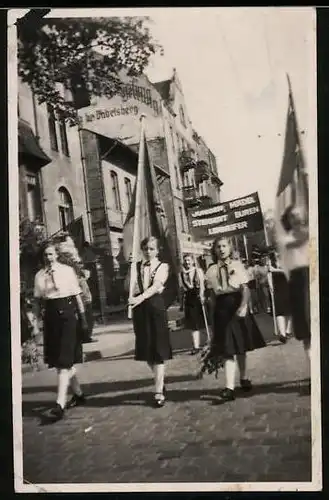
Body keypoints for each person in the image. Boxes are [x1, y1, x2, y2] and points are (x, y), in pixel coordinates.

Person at [201, 236, 266, 402]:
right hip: (222, 310)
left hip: (237, 306)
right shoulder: (211, 271)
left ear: (229, 249)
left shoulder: (238, 266)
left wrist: (243, 306)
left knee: (241, 347)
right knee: (227, 349)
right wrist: (211, 315)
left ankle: (244, 378)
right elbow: (212, 296)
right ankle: (229, 388)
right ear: (214, 250)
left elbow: (245, 289)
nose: (221, 249)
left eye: (224, 246)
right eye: (218, 247)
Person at [33, 242, 89, 422]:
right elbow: (37, 301)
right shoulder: (40, 275)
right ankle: (78, 394)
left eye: (50, 254)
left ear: (56, 255)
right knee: (61, 362)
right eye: (45, 255)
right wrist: (35, 324)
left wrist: (84, 319)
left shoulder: (67, 271)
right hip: (51, 316)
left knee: (64, 361)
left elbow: (77, 296)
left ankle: (60, 404)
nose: (48, 258)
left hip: (67, 316)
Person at [128, 237, 172, 408]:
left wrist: (140, 298)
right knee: (146, 350)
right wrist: (129, 269)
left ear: (157, 250)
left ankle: (159, 391)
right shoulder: (137, 266)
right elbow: (129, 287)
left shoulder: (163, 267)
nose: (148, 252)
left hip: (155, 309)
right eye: (145, 248)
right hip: (141, 311)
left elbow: (156, 286)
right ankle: (159, 380)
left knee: (158, 350)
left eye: (152, 249)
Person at [280, 205, 310, 361]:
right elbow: (297, 243)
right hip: (299, 280)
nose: (297, 218)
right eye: (293, 216)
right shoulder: (286, 239)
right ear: (288, 219)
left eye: (299, 214)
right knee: (307, 329)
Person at [180, 254, 206, 355]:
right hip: (189, 299)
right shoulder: (182, 273)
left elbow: (202, 285)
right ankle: (196, 346)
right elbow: (182, 289)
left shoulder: (198, 271)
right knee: (193, 324)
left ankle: (211, 341)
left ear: (192, 261)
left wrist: (202, 295)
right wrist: (182, 304)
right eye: (185, 261)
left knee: (204, 321)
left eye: (189, 260)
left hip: (198, 296)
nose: (187, 262)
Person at [268, 251, 292, 344]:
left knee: (290, 310)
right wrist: (270, 285)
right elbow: (269, 274)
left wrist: (275, 270)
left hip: (288, 286)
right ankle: (282, 335)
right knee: (279, 310)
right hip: (277, 288)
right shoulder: (271, 262)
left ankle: (288, 330)